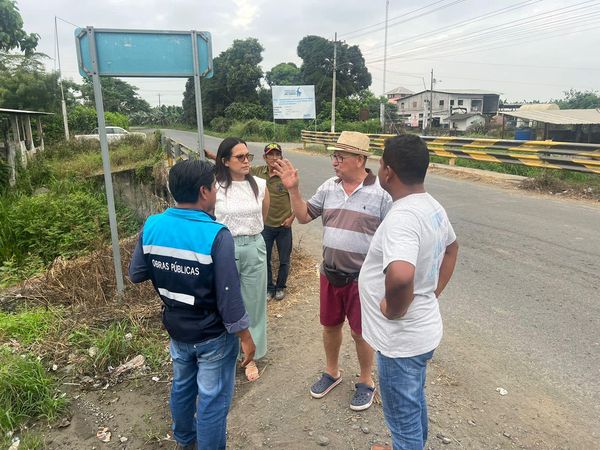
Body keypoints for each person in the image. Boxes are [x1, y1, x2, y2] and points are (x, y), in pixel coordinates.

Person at [128, 159, 256, 450]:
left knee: (182, 387)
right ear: (203, 192)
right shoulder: (217, 235)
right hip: (213, 336)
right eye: (214, 187)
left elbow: (136, 274)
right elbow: (229, 298)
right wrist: (246, 337)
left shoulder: (152, 225)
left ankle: (186, 441)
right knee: (212, 400)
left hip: (176, 328)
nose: (216, 192)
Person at [273, 131, 393, 411]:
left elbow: (392, 238)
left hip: (362, 280)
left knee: (361, 333)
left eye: (341, 156)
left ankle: (366, 380)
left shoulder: (381, 194)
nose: (334, 161)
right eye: (334, 156)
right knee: (330, 326)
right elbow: (304, 216)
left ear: (360, 159)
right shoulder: (329, 187)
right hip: (330, 274)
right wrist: (293, 190)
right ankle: (332, 372)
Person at [359, 134, 459, 450]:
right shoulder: (431, 205)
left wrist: (393, 309)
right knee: (412, 399)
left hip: (400, 342)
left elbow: (401, 276)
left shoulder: (402, 218)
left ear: (388, 172)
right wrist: (432, 292)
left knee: (402, 422)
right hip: (421, 332)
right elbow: (452, 248)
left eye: (380, 164)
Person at [214, 137, 270, 382]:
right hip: (224, 248)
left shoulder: (260, 185)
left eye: (248, 156)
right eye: (240, 157)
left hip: (254, 246)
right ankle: (226, 352)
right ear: (225, 161)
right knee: (224, 302)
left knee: (253, 303)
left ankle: (250, 357)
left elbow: (263, 216)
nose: (246, 161)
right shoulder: (215, 187)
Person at [251, 143, 295, 301]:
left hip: (284, 226)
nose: (274, 158)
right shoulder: (258, 172)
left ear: (281, 157)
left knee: (284, 260)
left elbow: (296, 198)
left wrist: (291, 218)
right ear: (265, 157)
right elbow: (236, 166)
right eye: (271, 154)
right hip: (266, 226)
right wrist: (213, 157)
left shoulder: (286, 175)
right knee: (265, 259)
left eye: (277, 155)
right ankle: (269, 288)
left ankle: (280, 287)